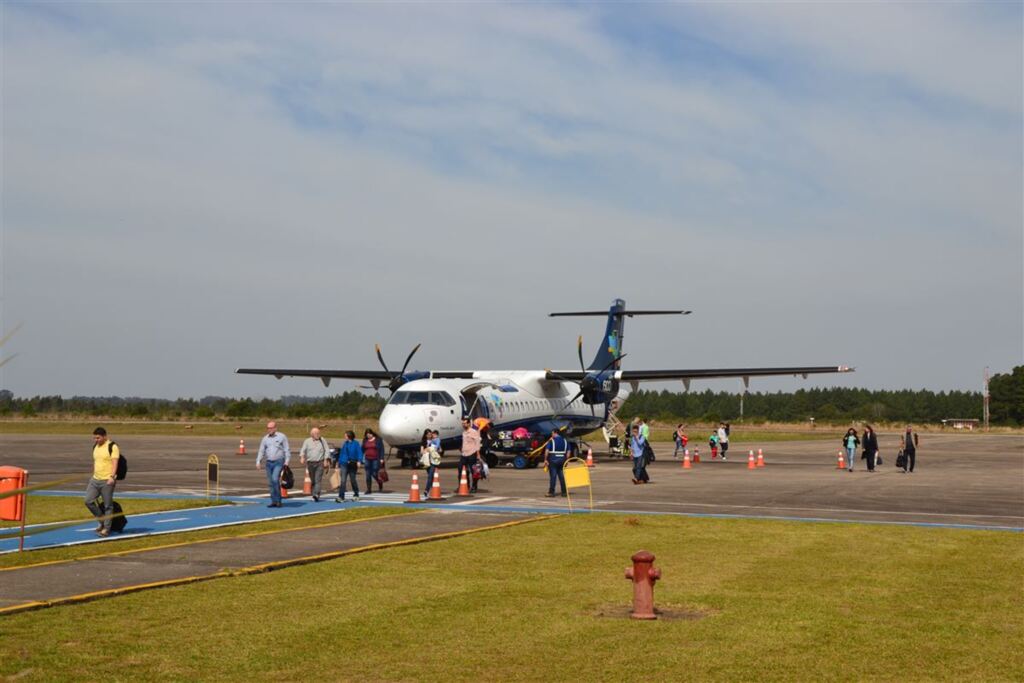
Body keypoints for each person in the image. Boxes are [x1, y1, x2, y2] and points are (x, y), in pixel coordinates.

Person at [85, 426, 120, 537]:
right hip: (95, 479)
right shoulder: (95, 446)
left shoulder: (112, 446)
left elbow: (115, 463)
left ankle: (106, 529)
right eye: (94, 438)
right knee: (88, 501)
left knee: (108, 505)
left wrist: (112, 477)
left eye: (98, 438)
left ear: (105, 436)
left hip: (107, 480)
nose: (96, 440)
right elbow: (96, 462)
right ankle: (103, 521)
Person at [256, 421, 291, 508]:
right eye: (268, 428)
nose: (269, 430)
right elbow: (261, 450)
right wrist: (258, 461)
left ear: (275, 428)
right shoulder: (265, 438)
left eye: (271, 428)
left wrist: (287, 461)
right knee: (271, 483)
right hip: (269, 463)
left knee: (275, 479)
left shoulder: (282, 437)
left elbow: (287, 449)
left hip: (278, 461)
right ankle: (273, 501)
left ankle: (278, 500)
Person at [299, 427, 331, 502]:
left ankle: (316, 494)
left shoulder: (322, 440)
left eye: (318, 433)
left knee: (317, 479)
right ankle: (314, 494)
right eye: (316, 433)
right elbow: (303, 450)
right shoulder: (307, 441)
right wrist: (302, 457)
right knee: (313, 480)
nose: (318, 435)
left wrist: (326, 459)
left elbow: (327, 450)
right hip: (310, 463)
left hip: (320, 462)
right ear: (312, 434)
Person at [335, 431, 363, 502]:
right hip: (344, 464)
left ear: (349, 436)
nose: (344, 437)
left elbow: (359, 452)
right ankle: (341, 496)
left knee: (353, 480)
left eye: (345, 435)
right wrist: (338, 462)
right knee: (343, 481)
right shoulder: (345, 444)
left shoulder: (356, 444)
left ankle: (356, 494)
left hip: (353, 464)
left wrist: (359, 461)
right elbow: (342, 453)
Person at [458, 417, 482, 493]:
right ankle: (465, 485)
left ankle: (474, 486)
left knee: (474, 471)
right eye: (462, 423)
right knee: (461, 469)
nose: (463, 425)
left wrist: (478, 454)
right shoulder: (463, 432)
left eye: (465, 423)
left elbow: (477, 443)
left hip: (472, 453)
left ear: (468, 423)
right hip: (464, 454)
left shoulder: (474, 432)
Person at [544, 429, 569, 497]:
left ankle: (551, 492)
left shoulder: (551, 441)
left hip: (553, 460)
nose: (551, 435)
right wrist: (566, 460)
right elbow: (568, 452)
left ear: (555, 433)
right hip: (562, 460)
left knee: (553, 477)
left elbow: (546, 451)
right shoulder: (565, 441)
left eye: (552, 433)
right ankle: (564, 492)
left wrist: (545, 459)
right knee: (562, 477)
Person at [362, 428, 385, 493]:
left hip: (375, 459)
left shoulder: (378, 440)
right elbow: (362, 449)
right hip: (367, 459)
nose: (368, 435)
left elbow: (382, 449)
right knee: (367, 474)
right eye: (367, 434)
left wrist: (381, 458)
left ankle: (379, 482)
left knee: (374, 473)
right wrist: (360, 458)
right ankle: (369, 489)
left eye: (369, 434)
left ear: (372, 434)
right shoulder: (365, 440)